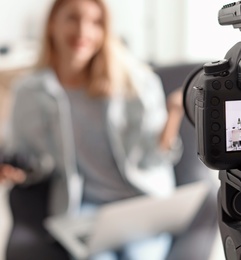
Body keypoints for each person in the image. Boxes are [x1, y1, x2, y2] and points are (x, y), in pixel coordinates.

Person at [0, 0, 185, 259]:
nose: (83, 31)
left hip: (140, 201)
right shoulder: (28, 92)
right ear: (53, 23)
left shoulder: (137, 82)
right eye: (73, 18)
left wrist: (173, 114)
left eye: (96, 22)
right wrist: (17, 170)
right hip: (85, 209)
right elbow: (31, 160)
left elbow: (156, 157)